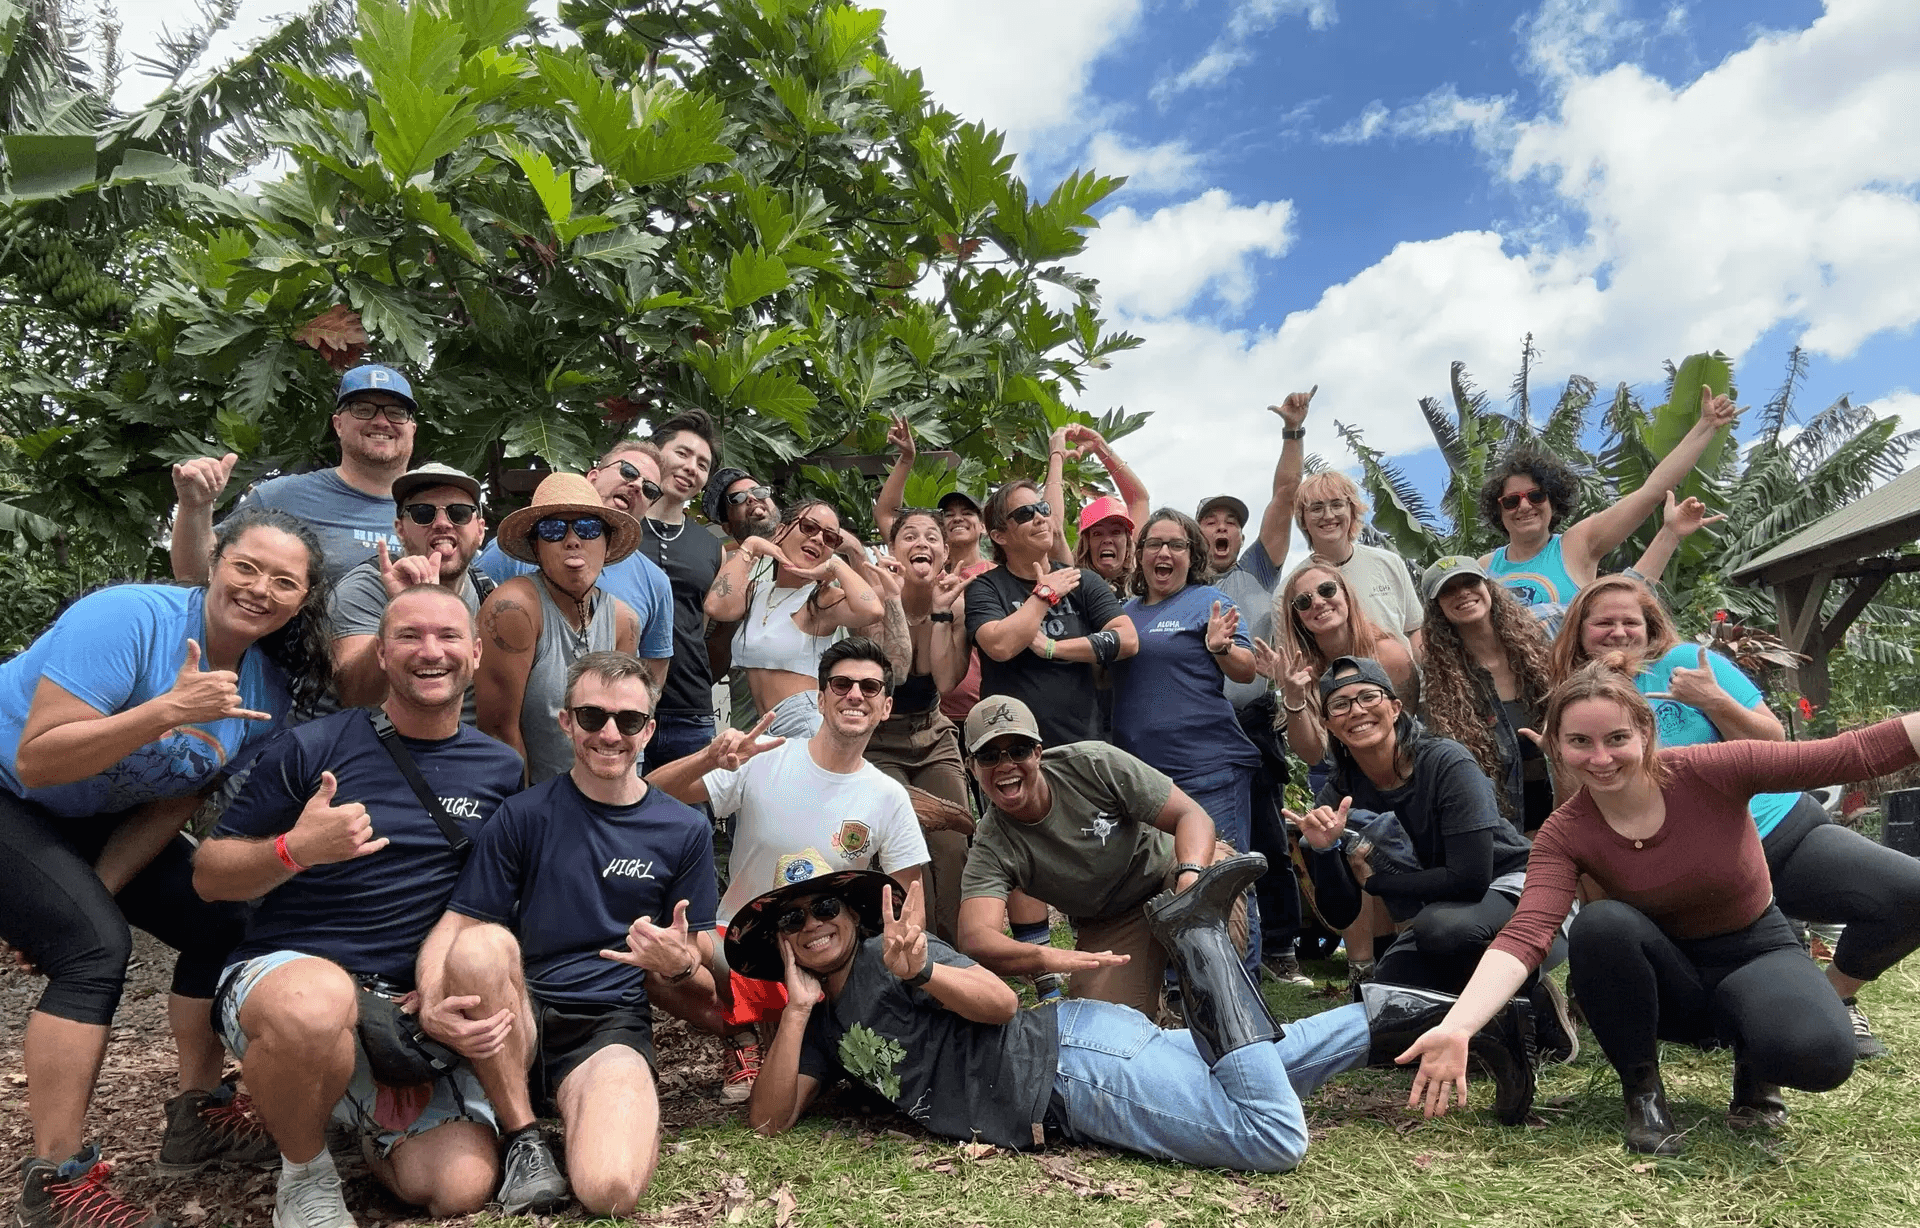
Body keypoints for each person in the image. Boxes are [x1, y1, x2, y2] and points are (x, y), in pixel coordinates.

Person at [1396, 659, 1920, 1155]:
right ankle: (1642, 1091)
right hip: (1666, 979)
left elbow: (1849, 753)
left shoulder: (1709, 770)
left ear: (1645, 733)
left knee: (1820, 1057)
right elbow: (1527, 934)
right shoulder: (1564, 833)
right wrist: (1459, 1025)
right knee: (1601, 924)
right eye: (1580, 742)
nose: (1600, 758)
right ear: (1555, 745)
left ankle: (1756, 1064)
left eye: (1616, 738)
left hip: (1755, 952)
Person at [732, 856, 1537, 1170]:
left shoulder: (893, 953)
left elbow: (1000, 1003)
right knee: (1267, 1065)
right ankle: (1457, 1021)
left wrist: (923, 971)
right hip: (1089, 1048)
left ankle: (1201, 940)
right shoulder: (822, 1028)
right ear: (782, 943)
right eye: (794, 920)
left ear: (853, 913)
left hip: (1068, 1072)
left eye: (827, 906)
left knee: (1272, 1136)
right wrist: (796, 1012)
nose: (815, 923)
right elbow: (769, 1122)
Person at [0, 510, 331, 1228]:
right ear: (214, 563)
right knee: (95, 948)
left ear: (302, 599)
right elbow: (37, 759)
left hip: (98, 812)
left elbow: (175, 798)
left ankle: (197, 1115)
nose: (260, 589)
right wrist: (166, 711)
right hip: (11, 788)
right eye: (246, 567)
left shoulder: (265, 689)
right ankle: (55, 1182)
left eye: (283, 581)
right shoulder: (126, 618)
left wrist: (87, 893)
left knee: (224, 916)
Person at [194, 584, 562, 1225]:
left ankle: (354, 1119)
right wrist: (294, 850)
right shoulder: (314, 748)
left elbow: (487, 901)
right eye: (409, 636)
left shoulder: (500, 767)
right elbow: (208, 876)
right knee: (317, 1005)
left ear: (476, 654)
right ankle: (305, 1176)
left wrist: (436, 992)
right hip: (295, 976)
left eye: (448, 636)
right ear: (382, 655)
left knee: (459, 1187)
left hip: (410, 1008)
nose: (431, 651)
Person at [1552, 574, 1920, 1059]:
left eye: (1630, 621)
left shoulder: (1690, 663)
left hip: (1777, 830)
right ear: (1579, 631)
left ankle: (1835, 995)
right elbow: (1580, 809)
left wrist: (1714, 701)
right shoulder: (1572, 700)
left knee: (1910, 891)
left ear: (1650, 625)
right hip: (1682, 871)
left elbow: (1773, 745)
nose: (1619, 632)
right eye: (1604, 623)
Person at [436, 652, 721, 1215]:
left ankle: (589, 1114)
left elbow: (701, 945)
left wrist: (678, 959)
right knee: (479, 945)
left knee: (609, 1189)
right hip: (518, 1014)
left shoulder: (683, 828)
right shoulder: (523, 815)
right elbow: (463, 921)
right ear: (566, 722)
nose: (610, 734)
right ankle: (522, 1134)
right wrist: (428, 1001)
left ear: (649, 730)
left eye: (628, 720)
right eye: (593, 716)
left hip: (606, 1023)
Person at [646, 638, 929, 1105]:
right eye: (841, 684)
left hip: (823, 948)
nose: (854, 695)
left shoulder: (888, 796)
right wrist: (708, 758)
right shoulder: (766, 757)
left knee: (802, 1063)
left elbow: (908, 900)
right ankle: (740, 1037)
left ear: (885, 707)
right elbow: (651, 794)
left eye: (869, 687)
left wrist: (893, 963)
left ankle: (785, 1036)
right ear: (820, 699)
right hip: (740, 938)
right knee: (661, 962)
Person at [1280, 659, 1571, 1058]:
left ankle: (1531, 995)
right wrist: (1325, 851)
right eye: (1341, 705)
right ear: (1329, 725)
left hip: (1518, 890)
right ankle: (1500, 1019)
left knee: (1440, 929)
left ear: (1395, 708)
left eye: (1368, 697)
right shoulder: (1339, 792)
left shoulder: (1446, 762)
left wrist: (1378, 884)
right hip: (1447, 910)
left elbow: (1471, 878)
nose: (1357, 711)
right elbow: (1341, 912)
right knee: (1385, 997)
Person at [956, 695, 1246, 1017]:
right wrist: (1043, 957)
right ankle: (1159, 1013)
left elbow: (1191, 816)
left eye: (1019, 750)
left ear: (1038, 753)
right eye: (988, 756)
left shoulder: (1093, 764)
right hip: (1110, 919)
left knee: (1210, 905)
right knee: (1103, 1023)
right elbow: (975, 936)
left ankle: (1226, 1016)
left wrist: (1189, 879)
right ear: (972, 767)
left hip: (1169, 869)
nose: (1006, 765)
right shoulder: (992, 843)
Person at [1109, 509, 1264, 969]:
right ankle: (1182, 986)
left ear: (1192, 555)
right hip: (1145, 779)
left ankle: (1239, 986)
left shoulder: (1208, 602)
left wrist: (1221, 647)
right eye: (1154, 544)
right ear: (1140, 556)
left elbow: (1246, 669)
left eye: (1176, 545)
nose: (1165, 553)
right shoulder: (1123, 614)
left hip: (1208, 769)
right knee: (1166, 879)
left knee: (1222, 880)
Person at [1479, 384, 1738, 609]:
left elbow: (1651, 492)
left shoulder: (1576, 545)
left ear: (1553, 501)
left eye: (1536, 496)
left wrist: (1706, 427)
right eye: (1511, 501)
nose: (1524, 506)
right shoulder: (1484, 568)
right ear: (1498, 511)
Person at [170, 364, 414, 586]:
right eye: (364, 410)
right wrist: (195, 508)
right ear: (338, 424)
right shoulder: (281, 497)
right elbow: (198, 575)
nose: (381, 421)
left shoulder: (434, 504)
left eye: (396, 412)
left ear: (412, 428)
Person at [862, 508, 980, 945]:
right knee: (907, 845)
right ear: (893, 550)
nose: (922, 543)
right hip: (878, 740)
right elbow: (894, 671)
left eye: (932, 537)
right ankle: (920, 952)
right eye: (909, 536)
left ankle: (961, 954)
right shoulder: (872, 600)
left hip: (933, 732)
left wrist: (942, 613)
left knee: (953, 843)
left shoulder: (955, 602)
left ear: (945, 553)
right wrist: (894, 600)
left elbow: (944, 681)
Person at [475, 473, 642, 784]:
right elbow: (499, 731)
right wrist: (528, 808)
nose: (573, 540)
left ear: (607, 543)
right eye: (552, 530)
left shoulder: (624, 621)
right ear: (536, 546)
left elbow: (621, 724)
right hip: (529, 797)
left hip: (599, 792)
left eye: (589, 528)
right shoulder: (514, 609)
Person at [477, 441, 675, 694]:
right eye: (628, 471)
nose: (637, 485)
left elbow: (647, 683)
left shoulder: (645, 593)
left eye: (649, 489)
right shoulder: (507, 565)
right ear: (593, 476)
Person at [965, 479, 1137, 746]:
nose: (1039, 518)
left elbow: (1127, 639)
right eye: (1025, 514)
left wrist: (1052, 648)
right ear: (1000, 536)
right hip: (1011, 750)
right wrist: (1045, 595)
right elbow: (999, 645)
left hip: (1080, 745)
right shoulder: (985, 587)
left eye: (1043, 509)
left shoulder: (1081, 580)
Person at [703, 499, 886, 738]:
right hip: (759, 726)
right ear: (781, 530)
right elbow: (716, 605)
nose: (818, 539)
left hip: (801, 721)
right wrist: (751, 545)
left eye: (830, 538)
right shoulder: (756, 592)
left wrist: (836, 567)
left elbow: (872, 609)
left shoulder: (820, 599)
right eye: (809, 527)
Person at [330, 463, 492, 716]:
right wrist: (407, 606)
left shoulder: (486, 590)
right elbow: (355, 694)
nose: (442, 523)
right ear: (400, 530)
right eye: (422, 513)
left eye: (459, 513)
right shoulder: (365, 587)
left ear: (480, 531)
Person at [1413, 556, 1556, 833]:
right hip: (1509, 823)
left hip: (1568, 801)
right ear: (1437, 607)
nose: (1463, 593)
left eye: (1470, 582)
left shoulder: (1541, 644)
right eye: (1448, 590)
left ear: (1488, 587)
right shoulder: (1439, 682)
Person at [634, 411, 726, 775]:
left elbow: (700, 623)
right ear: (656, 454)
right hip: (619, 705)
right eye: (683, 454)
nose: (691, 468)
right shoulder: (617, 527)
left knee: (691, 810)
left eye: (703, 464)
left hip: (690, 709)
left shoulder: (711, 546)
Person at [1262, 561, 1419, 770]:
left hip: (1397, 760)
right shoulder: (1302, 672)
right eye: (1303, 601)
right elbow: (1311, 755)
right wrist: (1292, 695)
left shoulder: (1389, 655)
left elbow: (1406, 725)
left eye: (1327, 590)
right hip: (1337, 770)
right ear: (1297, 617)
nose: (1318, 602)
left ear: (1346, 595)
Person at [1294, 469, 1424, 654]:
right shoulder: (1293, 590)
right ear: (1303, 520)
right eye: (1316, 508)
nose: (1328, 515)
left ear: (1353, 511)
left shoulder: (1389, 563)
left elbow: (1415, 628)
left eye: (1337, 505)